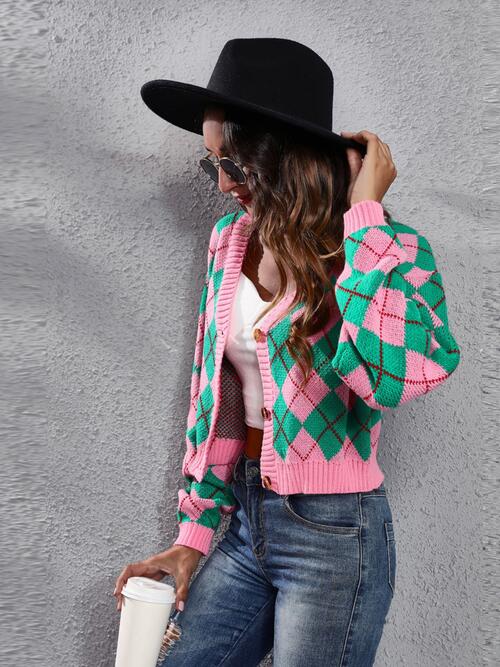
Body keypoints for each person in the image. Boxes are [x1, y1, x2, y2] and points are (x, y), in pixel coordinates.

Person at [112, 38, 461, 666]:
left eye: (236, 165)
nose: (223, 184)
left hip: (336, 536)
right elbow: (216, 395)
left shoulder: (390, 248)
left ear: (288, 157)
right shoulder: (230, 240)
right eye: (212, 165)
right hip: (247, 522)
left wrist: (364, 216)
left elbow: (389, 379)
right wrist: (193, 534)